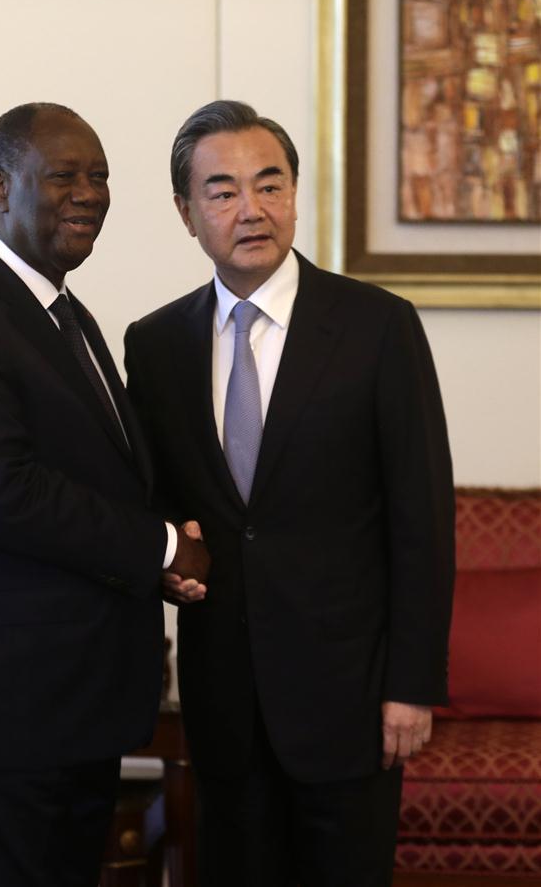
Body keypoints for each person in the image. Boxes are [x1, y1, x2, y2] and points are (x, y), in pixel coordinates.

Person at [124, 100, 454, 887]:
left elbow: (423, 519)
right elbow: (161, 504)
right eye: (223, 191)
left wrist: (411, 686)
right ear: (186, 213)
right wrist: (167, 562)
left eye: (270, 185)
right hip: (223, 702)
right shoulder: (156, 344)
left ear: (296, 195)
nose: (252, 209)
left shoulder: (378, 327)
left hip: (350, 700)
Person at [0, 101, 209, 887]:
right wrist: (163, 546)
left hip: (71, 710)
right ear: (0, 186)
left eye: (100, 176)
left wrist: (159, 546)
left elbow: (97, 476)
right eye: (64, 175)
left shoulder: (63, 313)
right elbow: (11, 493)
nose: (89, 193)